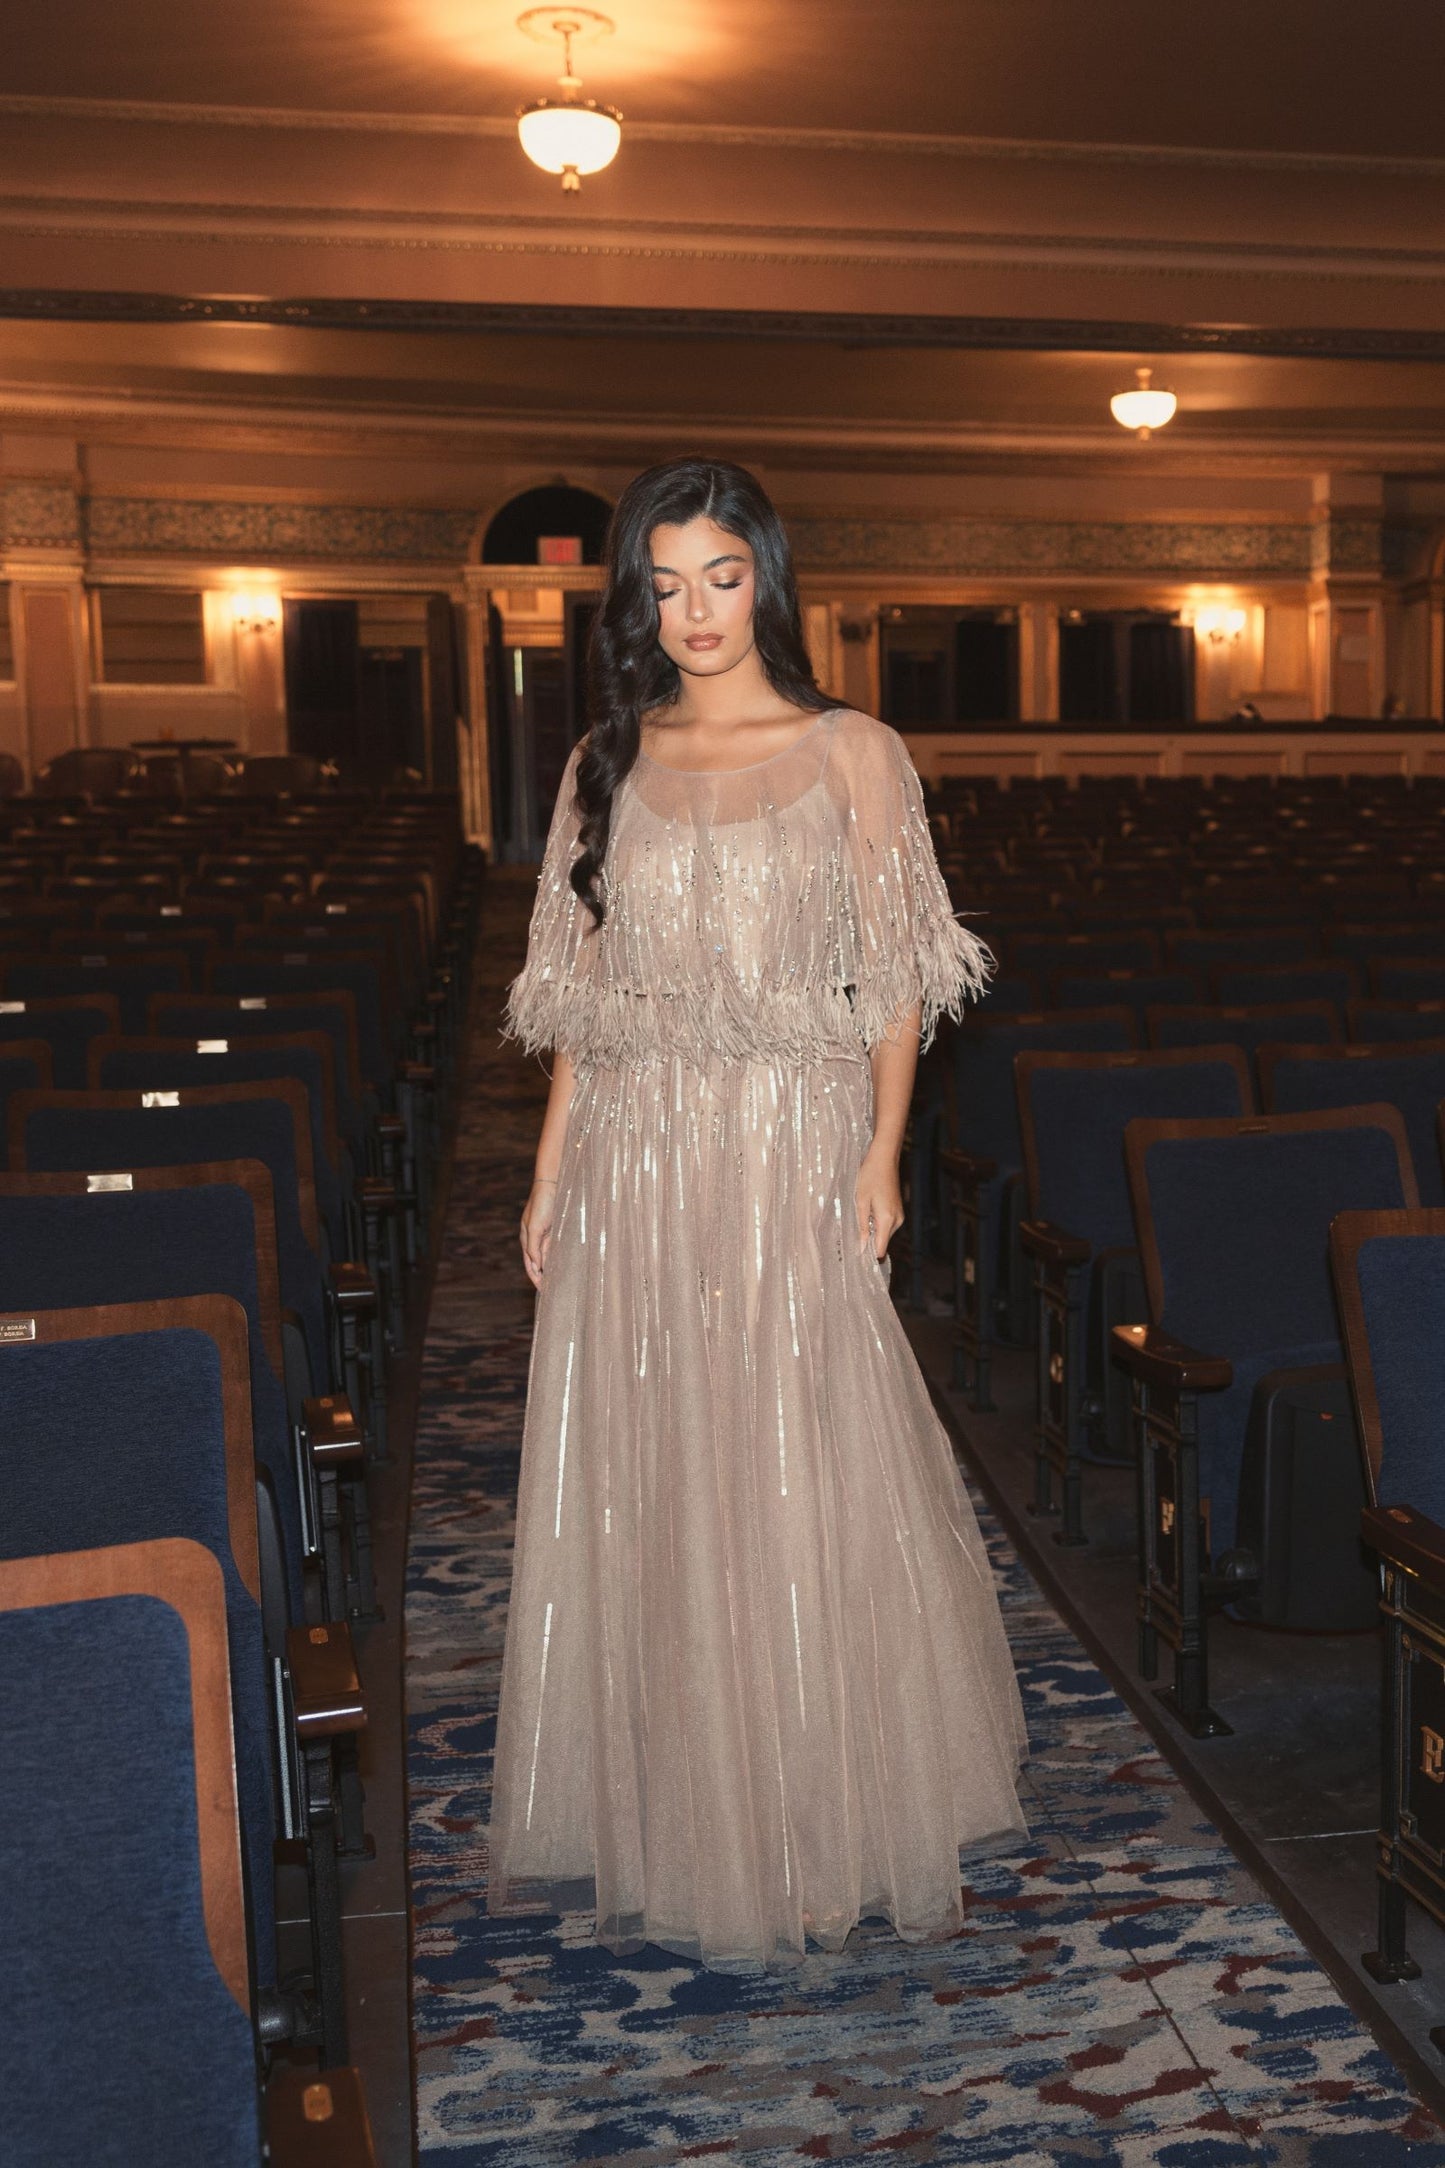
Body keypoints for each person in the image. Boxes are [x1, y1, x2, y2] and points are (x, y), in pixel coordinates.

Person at [490, 457, 1028, 1972]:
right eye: (662, 585)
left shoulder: (855, 749)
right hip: (638, 1164)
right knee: (659, 1471)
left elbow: (898, 976)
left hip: (792, 1144)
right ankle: (684, 1815)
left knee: (796, 1464)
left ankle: (815, 1819)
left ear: (767, 579)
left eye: (719, 576)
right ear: (631, 604)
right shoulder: (604, 764)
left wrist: (879, 1156)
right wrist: (545, 1179)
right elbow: (580, 1007)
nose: (693, 612)